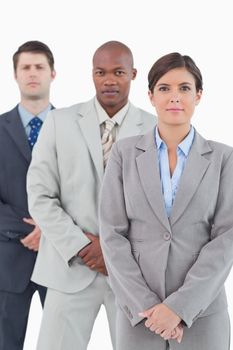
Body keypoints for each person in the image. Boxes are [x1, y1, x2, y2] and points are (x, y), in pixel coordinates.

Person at [26, 40, 156, 350]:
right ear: (92, 75)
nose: (109, 80)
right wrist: (83, 246)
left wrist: (113, 253)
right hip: (69, 268)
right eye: (101, 72)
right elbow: (40, 194)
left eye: (119, 72)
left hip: (133, 274)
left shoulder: (155, 129)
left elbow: (159, 206)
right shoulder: (60, 122)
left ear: (134, 74)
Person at [99, 52, 233, 350]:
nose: (175, 97)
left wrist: (179, 308)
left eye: (184, 88)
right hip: (140, 316)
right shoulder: (124, 154)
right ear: (150, 95)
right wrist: (148, 308)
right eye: (164, 88)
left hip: (201, 315)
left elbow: (226, 238)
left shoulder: (224, 158)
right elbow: (112, 234)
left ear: (198, 96)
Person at [0, 40, 56, 350]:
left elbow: (86, 190)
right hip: (8, 259)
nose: (32, 73)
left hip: (62, 259)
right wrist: (30, 229)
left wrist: (49, 229)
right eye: (26, 67)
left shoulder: (73, 128)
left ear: (53, 74)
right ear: (15, 75)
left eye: (39, 67)